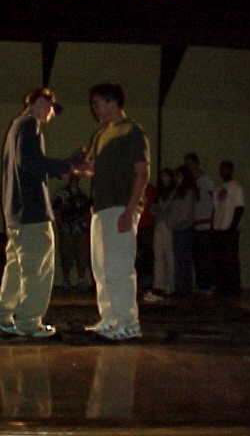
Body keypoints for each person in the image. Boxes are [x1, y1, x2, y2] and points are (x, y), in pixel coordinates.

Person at [0, 87, 71, 338]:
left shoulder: (17, 126)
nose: (48, 109)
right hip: (32, 211)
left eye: (50, 106)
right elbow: (30, 162)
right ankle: (29, 322)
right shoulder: (30, 125)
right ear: (31, 103)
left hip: (16, 212)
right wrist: (66, 166)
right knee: (38, 269)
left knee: (16, 269)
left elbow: (23, 163)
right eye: (45, 103)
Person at [82, 83, 150, 341]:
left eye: (97, 103)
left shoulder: (133, 131)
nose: (94, 109)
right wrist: (78, 165)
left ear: (112, 103)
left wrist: (130, 210)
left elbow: (142, 172)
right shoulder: (100, 134)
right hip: (101, 208)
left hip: (122, 206)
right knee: (101, 267)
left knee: (119, 267)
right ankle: (110, 318)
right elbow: (91, 169)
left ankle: (129, 323)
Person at [52, 173, 91, 288]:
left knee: (81, 254)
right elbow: (56, 210)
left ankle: (81, 279)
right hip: (66, 228)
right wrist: (60, 225)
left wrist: (85, 226)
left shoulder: (82, 195)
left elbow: (87, 212)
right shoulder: (61, 193)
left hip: (79, 229)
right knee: (66, 254)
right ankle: (66, 279)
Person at [184, 152, 216, 293]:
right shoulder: (190, 183)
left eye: (191, 164)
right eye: (187, 165)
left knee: (206, 255)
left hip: (206, 223)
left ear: (196, 163)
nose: (189, 167)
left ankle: (209, 284)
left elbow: (215, 200)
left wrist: (213, 219)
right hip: (195, 223)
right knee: (197, 256)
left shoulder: (206, 181)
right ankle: (201, 283)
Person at [212, 160, 245, 297]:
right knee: (219, 260)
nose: (223, 171)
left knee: (230, 259)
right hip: (218, 228)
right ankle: (222, 287)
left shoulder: (236, 187)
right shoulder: (219, 188)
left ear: (231, 170)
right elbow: (216, 208)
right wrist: (213, 226)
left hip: (229, 228)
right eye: (221, 169)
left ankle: (234, 288)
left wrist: (232, 226)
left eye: (225, 169)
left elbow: (239, 208)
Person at [148, 168, 176, 299]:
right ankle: (159, 284)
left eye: (166, 176)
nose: (164, 179)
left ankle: (170, 285)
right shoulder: (159, 193)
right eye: (162, 176)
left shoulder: (175, 192)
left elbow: (172, 209)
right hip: (159, 224)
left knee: (169, 255)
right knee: (158, 255)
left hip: (169, 225)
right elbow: (153, 208)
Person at [169, 165, 196, 296]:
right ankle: (180, 287)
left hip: (184, 229)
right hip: (177, 228)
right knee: (178, 259)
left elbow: (186, 213)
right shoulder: (176, 192)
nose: (176, 179)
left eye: (178, 176)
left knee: (184, 260)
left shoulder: (188, 192)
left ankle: (185, 288)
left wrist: (176, 223)